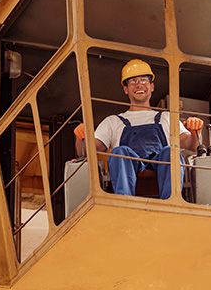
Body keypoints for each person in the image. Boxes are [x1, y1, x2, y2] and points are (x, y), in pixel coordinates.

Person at [74, 59, 203, 199]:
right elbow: (86, 151)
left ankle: (172, 201)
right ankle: (125, 202)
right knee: (120, 151)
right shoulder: (113, 121)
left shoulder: (167, 118)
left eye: (144, 80)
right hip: (129, 168)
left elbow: (192, 145)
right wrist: (81, 137)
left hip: (161, 167)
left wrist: (194, 131)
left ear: (152, 86)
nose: (139, 84)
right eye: (133, 81)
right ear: (126, 89)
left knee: (170, 151)